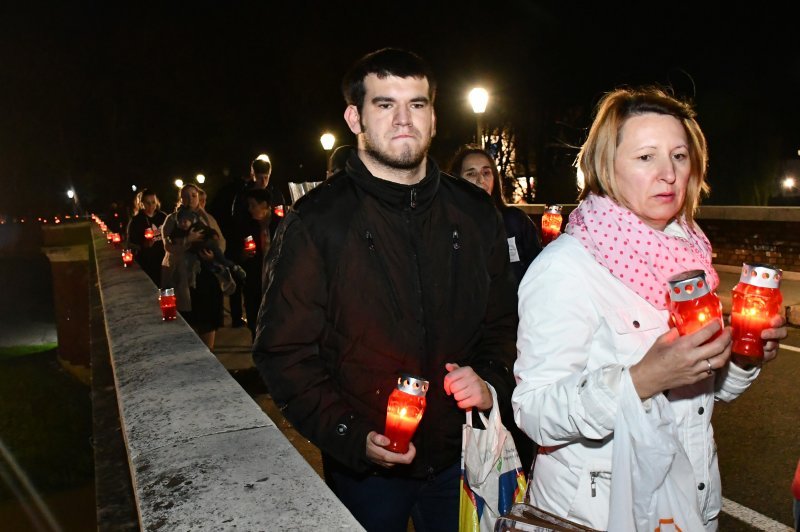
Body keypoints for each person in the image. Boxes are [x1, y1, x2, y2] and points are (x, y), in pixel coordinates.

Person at [252, 48, 518, 532]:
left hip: (463, 457)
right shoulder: (316, 223)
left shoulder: (476, 214)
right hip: (366, 473)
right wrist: (350, 434)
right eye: (384, 104)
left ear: (434, 117)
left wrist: (491, 380)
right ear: (355, 117)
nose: (403, 119)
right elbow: (283, 350)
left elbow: (505, 323)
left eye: (417, 104)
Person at [511, 86, 788, 530]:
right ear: (607, 166)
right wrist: (641, 380)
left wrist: (743, 356)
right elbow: (535, 412)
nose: (669, 174)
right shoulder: (566, 267)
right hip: (598, 513)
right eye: (646, 157)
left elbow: (706, 394)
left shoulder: (689, 258)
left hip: (688, 503)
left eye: (679, 156)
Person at [449, 144, 542, 284]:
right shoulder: (447, 227)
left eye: (486, 173)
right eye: (471, 173)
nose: (481, 180)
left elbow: (539, 270)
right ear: (456, 181)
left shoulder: (515, 220)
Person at [161, 183, 227, 349]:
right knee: (189, 317)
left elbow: (221, 241)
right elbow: (168, 246)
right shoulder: (172, 219)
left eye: (194, 195)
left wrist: (214, 255)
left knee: (208, 318)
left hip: (206, 275)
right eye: (186, 196)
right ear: (180, 199)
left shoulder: (207, 218)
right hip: (184, 276)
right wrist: (187, 242)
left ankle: (209, 352)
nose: (190, 199)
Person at [168, 205, 246, 286]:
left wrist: (214, 235)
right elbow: (173, 238)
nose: (182, 224)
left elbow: (208, 230)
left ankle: (234, 267)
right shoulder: (179, 231)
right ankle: (219, 271)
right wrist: (186, 239)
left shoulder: (197, 226)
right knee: (208, 265)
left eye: (185, 222)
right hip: (198, 252)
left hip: (210, 245)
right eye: (180, 222)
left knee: (221, 259)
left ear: (190, 221)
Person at [241, 187, 271, 341]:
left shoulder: (280, 224)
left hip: (274, 282)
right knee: (255, 321)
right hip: (255, 281)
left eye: (253, 205)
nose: (250, 209)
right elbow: (237, 253)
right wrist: (244, 255)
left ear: (264, 205)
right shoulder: (249, 226)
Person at [125, 189, 166, 285]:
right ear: (142, 203)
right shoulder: (136, 221)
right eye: (147, 203)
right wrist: (144, 244)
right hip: (147, 262)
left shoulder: (163, 217)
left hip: (164, 260)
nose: (151, 206)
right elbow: (130, 244)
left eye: (153, 202)